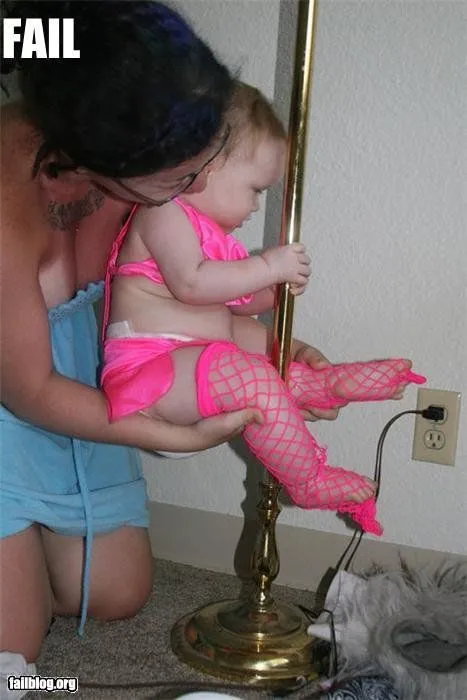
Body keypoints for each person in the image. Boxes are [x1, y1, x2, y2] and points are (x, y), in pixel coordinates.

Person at [0, 1, 345, 685]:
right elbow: (30, 388)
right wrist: (172, 434)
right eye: (185, 177)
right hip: (16, 395)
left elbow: (181, 295)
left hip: (85, 389)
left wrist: (272, 344)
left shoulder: (142, 160)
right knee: (18, 659)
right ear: (107, 154)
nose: (202, 184)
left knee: (120, 595)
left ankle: (28, 551)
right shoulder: (7, 208)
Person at [101, 82, 425, 535]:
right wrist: (267, 267)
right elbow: (193, 283)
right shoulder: (162, 212)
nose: (256, 206)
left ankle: (321, 383)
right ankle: (308, 480)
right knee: (246, 371)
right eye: (255, 189)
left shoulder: (214, 240)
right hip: (150, 375)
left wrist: (275, 291)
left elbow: (237, 306)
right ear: (204, 165)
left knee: (251, 352)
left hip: (194, 366)